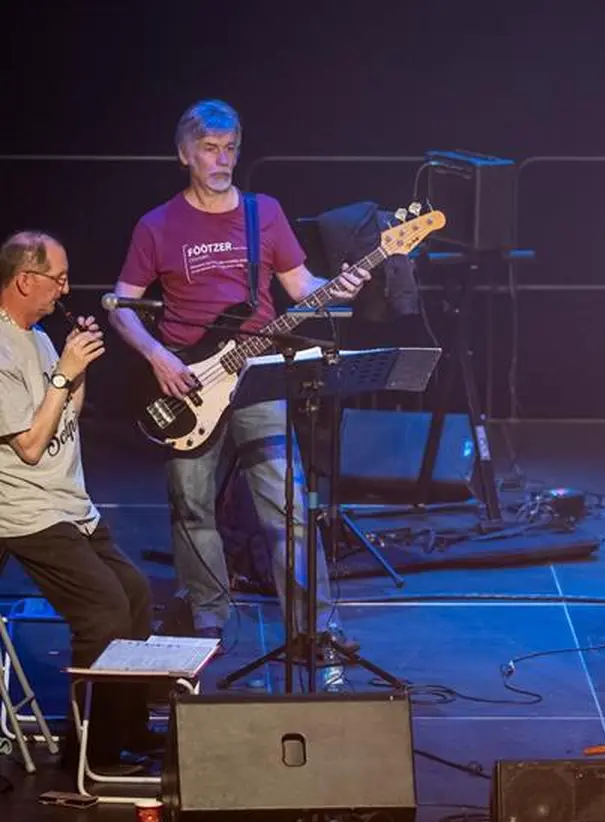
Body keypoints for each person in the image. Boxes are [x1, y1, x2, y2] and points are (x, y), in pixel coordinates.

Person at [107, 99, 369, 653]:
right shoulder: (157, 225)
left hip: (257, 375)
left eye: (230, 148)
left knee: (288, 503)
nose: (221, 159)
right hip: (188, 383)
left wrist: (339, 286)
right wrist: (158, 356)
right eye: (209, 149)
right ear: (184, 155)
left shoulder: (263, 212)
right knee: (191, 505)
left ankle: (315, 628)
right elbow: (121, 305)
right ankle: (207, 618)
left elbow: (300, 287)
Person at [0, 230, 156, 773]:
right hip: (26, 512)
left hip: (70, 503)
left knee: (135, 594)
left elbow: (66, 411)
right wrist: (65, 371)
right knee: (103, 612)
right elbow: (30, 443)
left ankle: (129, 729)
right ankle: (89, 752)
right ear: (24, 279)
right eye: (57, 279)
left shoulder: (40, 336)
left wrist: (77, 369)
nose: (65, 289)